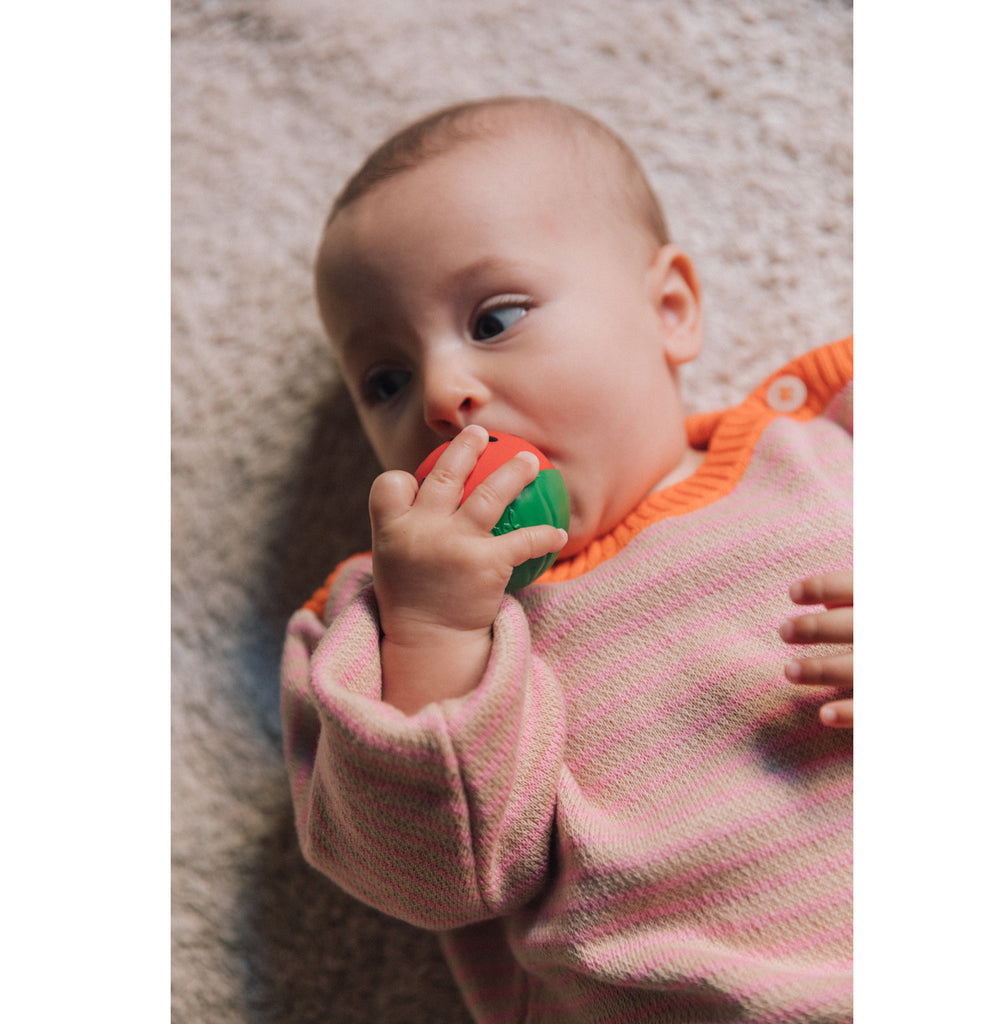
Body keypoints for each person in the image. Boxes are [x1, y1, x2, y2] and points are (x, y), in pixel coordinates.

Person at [282, 96, 853, 1023]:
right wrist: (434, 632)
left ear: (668, 310)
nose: (440, 393)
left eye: (495, 319)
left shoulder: (833, 446)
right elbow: (430, 882)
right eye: (385, 379)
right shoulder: (378, 636)